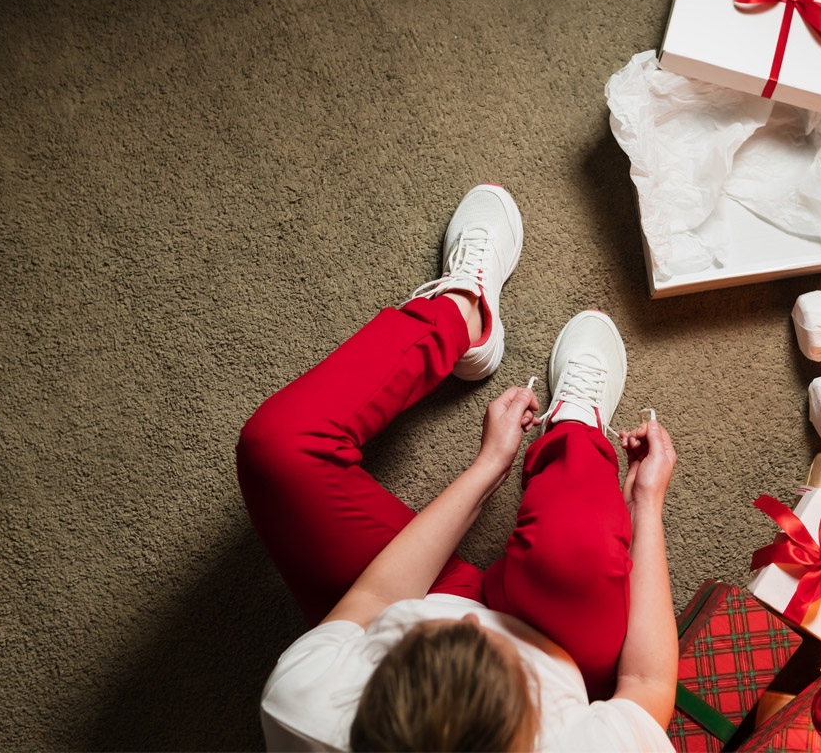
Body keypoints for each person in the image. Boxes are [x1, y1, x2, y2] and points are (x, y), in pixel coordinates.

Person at [236, 184, 679, 751]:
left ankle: (461, 316)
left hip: (405, 589)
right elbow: (645, 684)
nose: (471, 621)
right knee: (578, 550)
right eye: (486, 643)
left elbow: (374, 603)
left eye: (423, 641)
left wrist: (488, 467)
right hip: (555, 642)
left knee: (278, 450)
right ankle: (575, 431)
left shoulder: (305, 708)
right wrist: (647, 504)